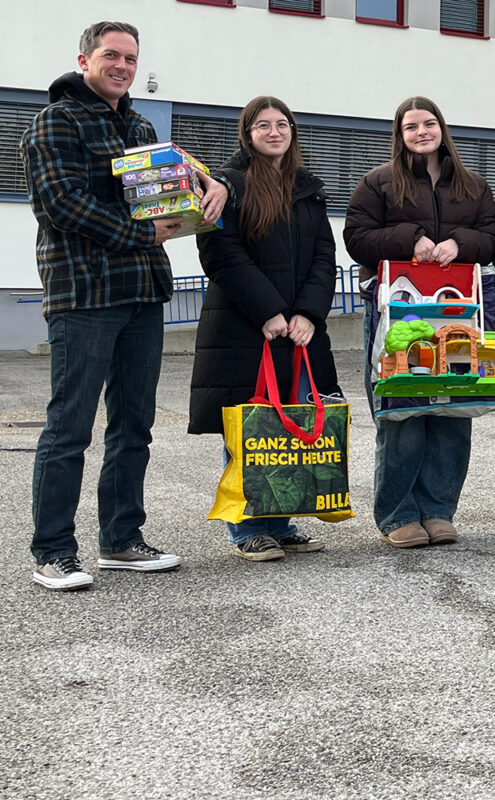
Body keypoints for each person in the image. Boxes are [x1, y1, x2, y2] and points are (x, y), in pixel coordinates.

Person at [21, 21, 226, 591]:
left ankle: (122, 540)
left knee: (134, 423)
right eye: (111, 55)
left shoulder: (138, 125)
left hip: (142, 292)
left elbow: (180, 179)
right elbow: (62, 205)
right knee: (70, 426)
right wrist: (147, 234)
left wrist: (218, 186)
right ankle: (54, 551)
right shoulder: (54, 122)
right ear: (84, 59)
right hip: (84, 293)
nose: (122, 66)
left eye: (131, 58)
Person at [189, 96, 340, 561]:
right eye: (263, 125)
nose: (274, 132)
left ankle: (280, 520)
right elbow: (221, 255)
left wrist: (309, 315)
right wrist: (270, 311)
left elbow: (324, 258)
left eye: (282, 124)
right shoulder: (226, 187)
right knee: (249, 427)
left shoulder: (308, 189)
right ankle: (247, 527)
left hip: (297, 331)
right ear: (247, 133)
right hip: (247, 328)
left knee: (288, 426)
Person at [344, 96, 495, 548]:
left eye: (429, 123)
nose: (421, 132)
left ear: (442, 128)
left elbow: (493, 238)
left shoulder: (472, 185)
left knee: (452, 405)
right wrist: (412, 239)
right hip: (399, 313)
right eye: (411, 126)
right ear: (400, 133)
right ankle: (398, 513)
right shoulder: (378, 184)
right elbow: (357, 237)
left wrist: (459, 242)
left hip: (457, 313)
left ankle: (438, 509)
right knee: (402, 403)